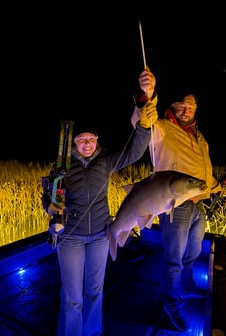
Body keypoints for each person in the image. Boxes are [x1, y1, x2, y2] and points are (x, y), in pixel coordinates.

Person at [41, 106, 157, 336]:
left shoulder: (106, 161)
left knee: (95, 291)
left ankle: (92, 333)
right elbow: (48, 197)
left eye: (91, 139)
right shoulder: (61, 167)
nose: (87, 144)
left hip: (100, 236)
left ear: (97, 141)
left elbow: (133, 152)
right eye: (82, 139)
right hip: (70, 237)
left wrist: (143, 127)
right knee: (72, 297)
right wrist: (51, 207)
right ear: (74, 142)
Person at [131, 67, 222, 333]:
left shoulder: (199, 137)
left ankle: (185, 286)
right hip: (174, 206)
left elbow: (202, 171)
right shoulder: (163, 129)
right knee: (174, 259)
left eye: (191, 105)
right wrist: (146, 97)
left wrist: (216, 187)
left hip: (198, 205)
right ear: (172, 106)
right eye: (181, 105)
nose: (186, 110)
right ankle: (172, 302)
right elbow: (143, 122)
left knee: (193, 254)